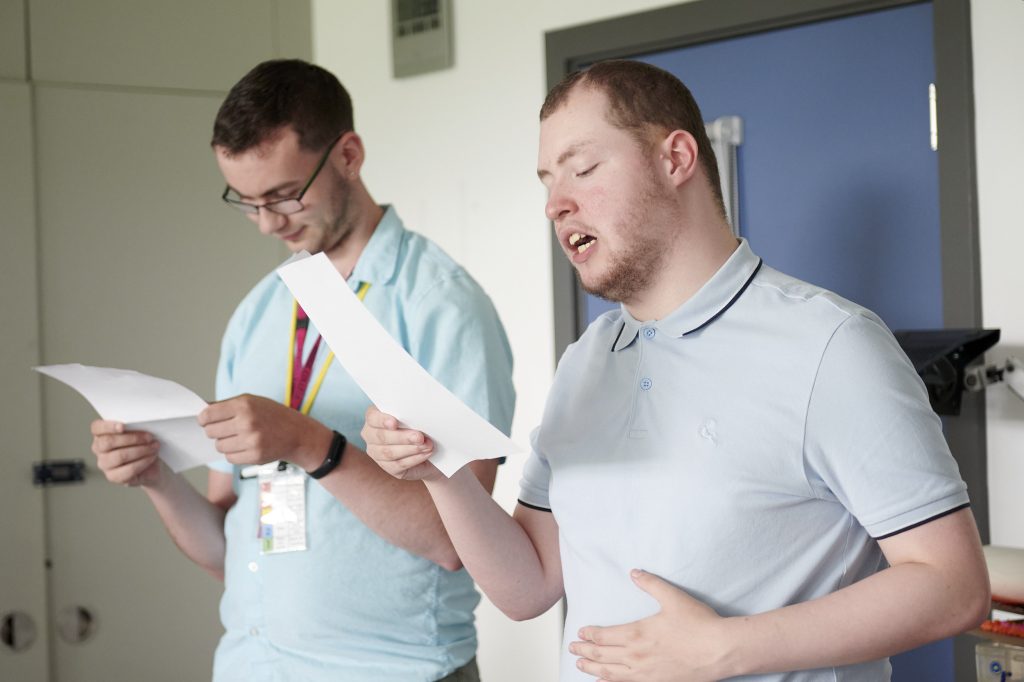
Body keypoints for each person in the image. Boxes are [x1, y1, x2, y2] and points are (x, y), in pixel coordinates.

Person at [361, 60, 991, 681]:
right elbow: (527, 587)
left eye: (583, 169)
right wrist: (439, 473)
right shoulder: (587, 359)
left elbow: (953, 586)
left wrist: (725, 648)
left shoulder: (833, 345)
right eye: (547, 182)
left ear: (676, 158)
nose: (557, 204)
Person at [89, 59, 514, 682]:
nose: (267, 223)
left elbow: (458, 543)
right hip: (252, 666)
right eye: (247, 201)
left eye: (284, 195)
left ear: (348, 155)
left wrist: (311, 444)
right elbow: (227, 544)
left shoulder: (442, 306)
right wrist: (156, 477)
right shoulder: (259, 311)